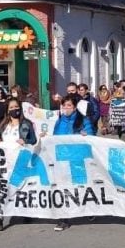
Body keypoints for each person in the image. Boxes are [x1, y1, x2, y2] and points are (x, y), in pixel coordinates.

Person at [48, 94, 94, 231]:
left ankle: (89, 210)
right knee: (63, 188)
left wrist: (87, 135)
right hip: (62, 159)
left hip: (77, 160)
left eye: (69, 106)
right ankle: (64, 218)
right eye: (64, 106)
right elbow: (54, 138)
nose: (66, 108)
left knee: (80, 187)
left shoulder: (83, 120)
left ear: (74, 108)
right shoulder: (59, 121)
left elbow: (92, 137)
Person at [0, 97, 37, 231]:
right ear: (7, 110)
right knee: (3, 189)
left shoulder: (26, 124)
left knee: (20, 188)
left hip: (20, 161)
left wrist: (25, 142)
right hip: (5, 164)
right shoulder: (3, 125)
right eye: (11, 108)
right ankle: (0, 218)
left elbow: (33, 141)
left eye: (16, 107)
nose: (14, 110)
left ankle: (25, 212)